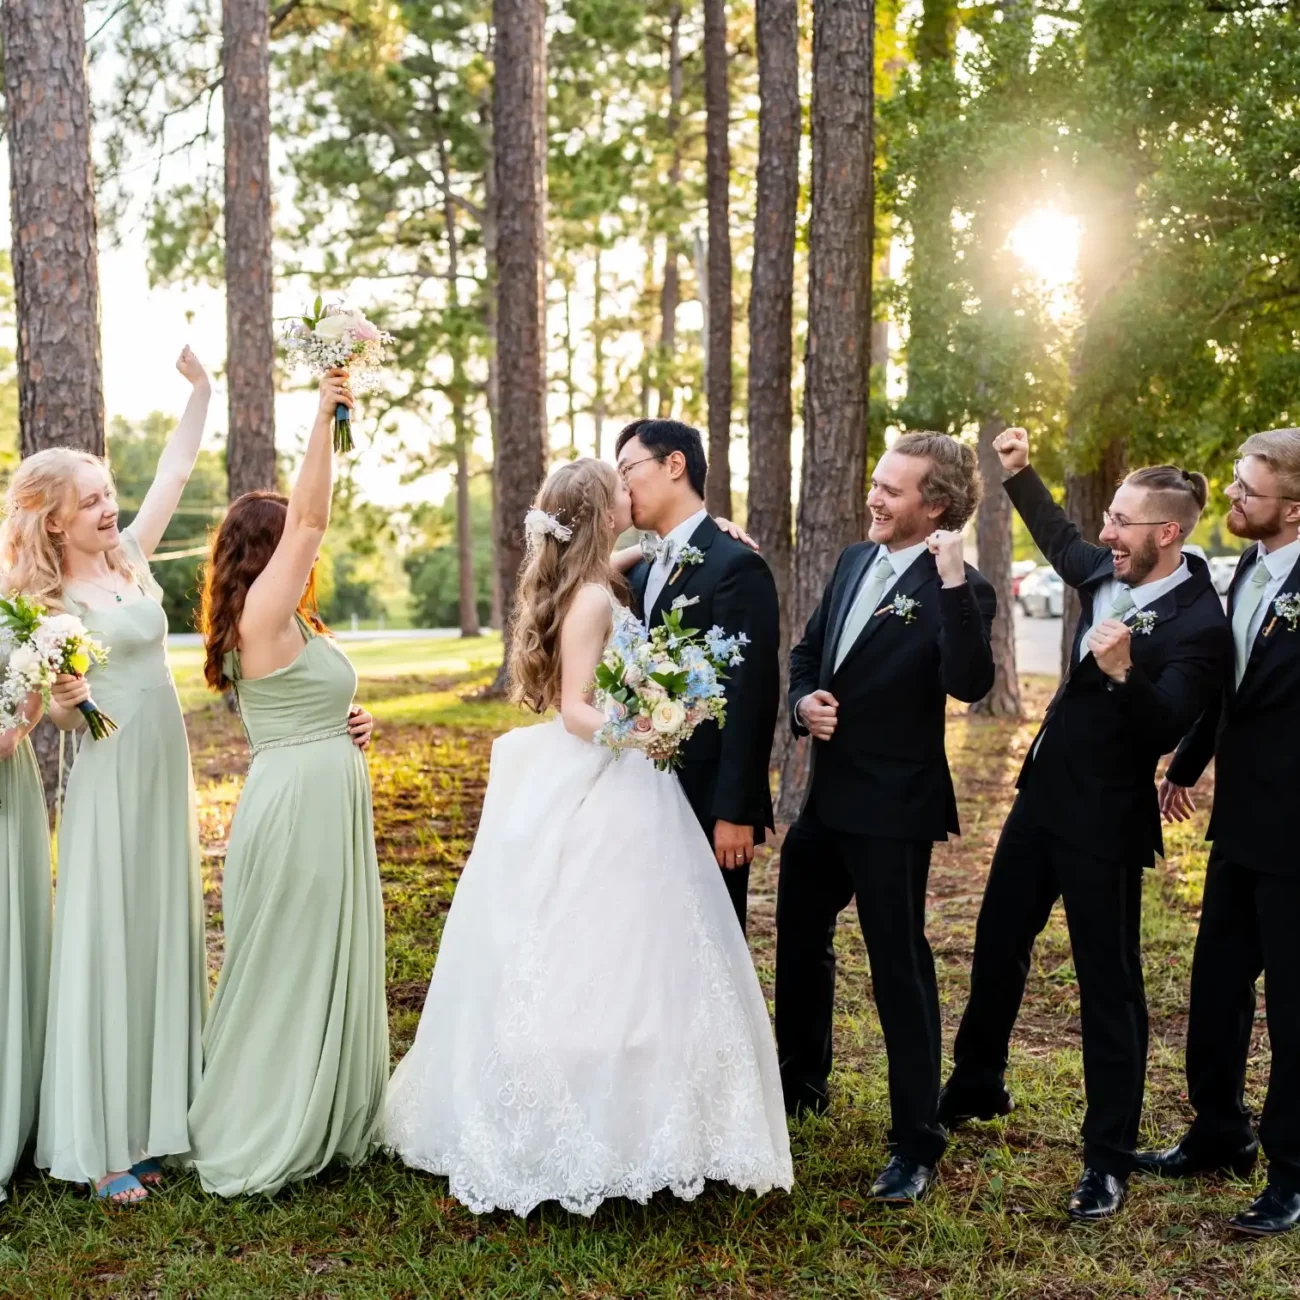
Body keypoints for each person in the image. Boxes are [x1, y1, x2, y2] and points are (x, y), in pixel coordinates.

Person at [385, 457, 793, 1217]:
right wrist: (646, 729)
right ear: (603, 511)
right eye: (619, 493)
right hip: (611, 772)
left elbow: (623, 566)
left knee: (642, 947)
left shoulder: (598, 579)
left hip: (627, 774)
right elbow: (575, 707)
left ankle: (641, 1101)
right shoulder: (593, 602)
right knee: (601, 942)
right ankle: (592, 1113)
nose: (629, 498)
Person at [940, 426, 1231, 1222]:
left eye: (1123, 520)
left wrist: (1124, 672)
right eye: (1109, 517)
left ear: (1166, 534)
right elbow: (1063, 539)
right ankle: (977, 1082)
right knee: (998, 943)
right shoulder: (1105, 564)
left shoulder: (1202, 624)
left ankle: (1107, 1158)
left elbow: (1167, 721)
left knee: (1111, 990)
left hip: (1105, 821)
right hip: (1039, 799)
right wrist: (1019, 475)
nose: (1107, 533)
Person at [3, 348, 213, 1205]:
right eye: (87, 500)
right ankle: (96, 1148)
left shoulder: (129, 558)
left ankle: (154, 1118)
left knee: (159, 929)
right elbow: (47, 720)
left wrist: (202, 391)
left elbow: (174, 468)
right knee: (106, 935)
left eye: (104, 492)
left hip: (167, 768)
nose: (106, 505)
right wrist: (66, 699)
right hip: (108, 773)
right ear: (52, 521)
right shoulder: (41, 606)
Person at [775, 432, 995, 1205]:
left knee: (897, 966)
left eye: (893, 490)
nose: (874, 496)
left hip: (894, 808)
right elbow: (807, 654)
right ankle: (800, 1084)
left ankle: (915, 1141)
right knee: (799, 938)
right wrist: (803, 705)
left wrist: (952, 582)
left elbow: (970, 682)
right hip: (826, 801)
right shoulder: (850, 563)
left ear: (934, 505)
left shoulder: (959, 588)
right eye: (877, 482)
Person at [185, 371, 387, 1197]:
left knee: (318, 956)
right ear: (267, 554)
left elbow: (302, 702)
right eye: (295, 547)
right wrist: (324, 411)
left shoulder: (289, 621)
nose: (311, 553)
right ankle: (262, 1117)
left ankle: (325, 1108)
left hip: (317, 791)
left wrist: (352, 724)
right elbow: (311, 514)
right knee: (288, 964)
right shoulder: (260, 616)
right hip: (298, 811)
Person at [1137, 428, 1300, 1237]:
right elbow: (1231, 686)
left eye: (1248, 492)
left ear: (1295, 508)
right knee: (1218, 986)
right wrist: (1187, 762)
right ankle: (1218, 1132)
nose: (1231, 500)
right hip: (1241, 823)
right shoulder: (1245, 572)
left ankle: (1292, 1171)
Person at [616, 419, 780, 930]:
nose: (622, 487)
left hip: (710, 800)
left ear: (674, 464)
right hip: (643, 793)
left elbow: (751, 696)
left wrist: (737, 811)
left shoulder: (735, 565)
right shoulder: (640, 569)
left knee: (710, 938)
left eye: (628, 470)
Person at [0, 684, 51, 1205]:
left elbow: (37, 674)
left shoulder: (19, 599)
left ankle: (19, 1104)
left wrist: (16, 729)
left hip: (5, 767)